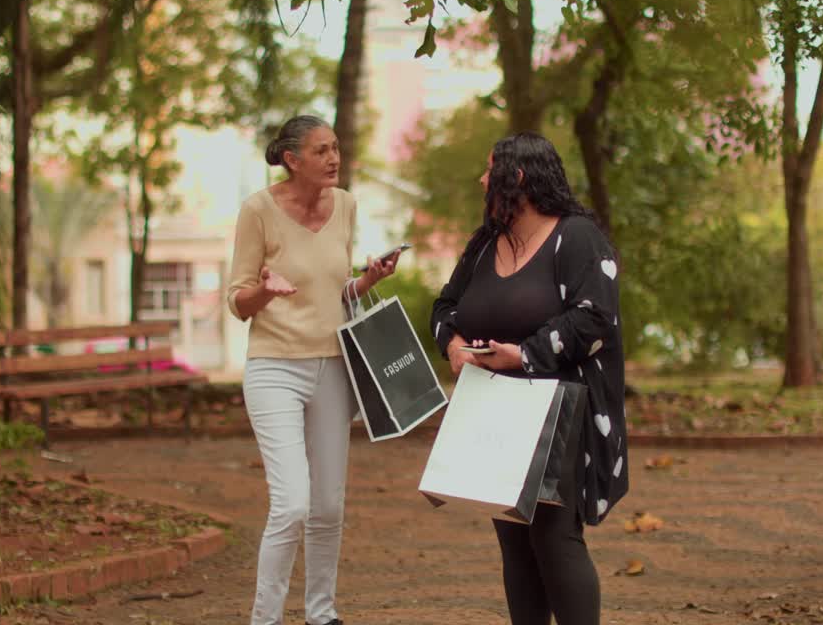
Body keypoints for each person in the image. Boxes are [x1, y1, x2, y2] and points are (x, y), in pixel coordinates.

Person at [429, 132, 629, 625]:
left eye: (489, 169)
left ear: (515, 177)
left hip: (557, 411)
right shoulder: (485, 245)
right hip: (495, 412)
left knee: (554, 537)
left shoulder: (576, 237)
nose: (481, 178)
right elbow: (444, 307)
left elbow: (594, 318)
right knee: (514, 541)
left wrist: (524, 355)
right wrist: (453, 346)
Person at [227, 115, 400, 625]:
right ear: (291, 160)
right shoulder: (257, 210)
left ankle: (322, 614)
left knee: (328, 505)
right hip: (275, 366)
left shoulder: (346, 204)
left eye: (336, 148)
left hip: (333, 366)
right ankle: (266, 619)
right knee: (292, 505)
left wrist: (368, 279)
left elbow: (336, 291)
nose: (334, 158)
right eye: (321, 151)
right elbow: (238, 302)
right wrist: (266, 291)